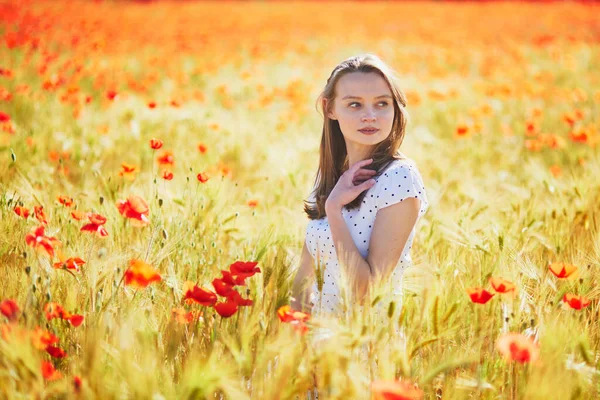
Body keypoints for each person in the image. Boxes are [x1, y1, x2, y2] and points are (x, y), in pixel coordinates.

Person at [291, 53, 429, 321]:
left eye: (382, 104)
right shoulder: (333, 178)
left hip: (365, 349)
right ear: (329, 109)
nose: (370, 116)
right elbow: (303, 280)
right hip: (315, 347)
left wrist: (334, 209)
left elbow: (366, 292)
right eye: (354, 104)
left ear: (395, 109)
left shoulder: (400, 178)